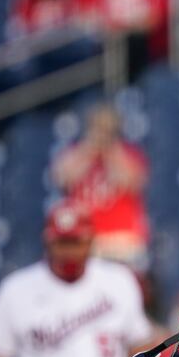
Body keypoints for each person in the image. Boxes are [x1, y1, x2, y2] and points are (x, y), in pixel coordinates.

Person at [0, 201, 153, 357]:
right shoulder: (16, 289)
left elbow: (139, 352)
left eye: (75, 242)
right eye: (62, 243)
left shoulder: (119, 281)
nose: (69, 252)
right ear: (48, 242)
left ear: (90, 241)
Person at [52, 105, 150, 270]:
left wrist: (111, 151)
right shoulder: (77, 153)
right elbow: (62, 178)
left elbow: (131, 181)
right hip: (86, 238)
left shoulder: (129, 153)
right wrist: (87, 150)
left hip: (121, 240)